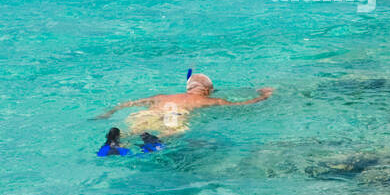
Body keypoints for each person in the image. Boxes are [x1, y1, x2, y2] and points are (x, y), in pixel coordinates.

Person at [94, 72, 273, 137]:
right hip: (174, 117)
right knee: (172, 132)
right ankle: (156, 140)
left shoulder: (162, 96)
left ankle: (119, 139)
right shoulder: (206, 100)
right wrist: (264, 96)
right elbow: (242, 105)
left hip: (147, 114)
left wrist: (108, 113)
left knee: (134, 131)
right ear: (208, 90)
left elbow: (129, 103)